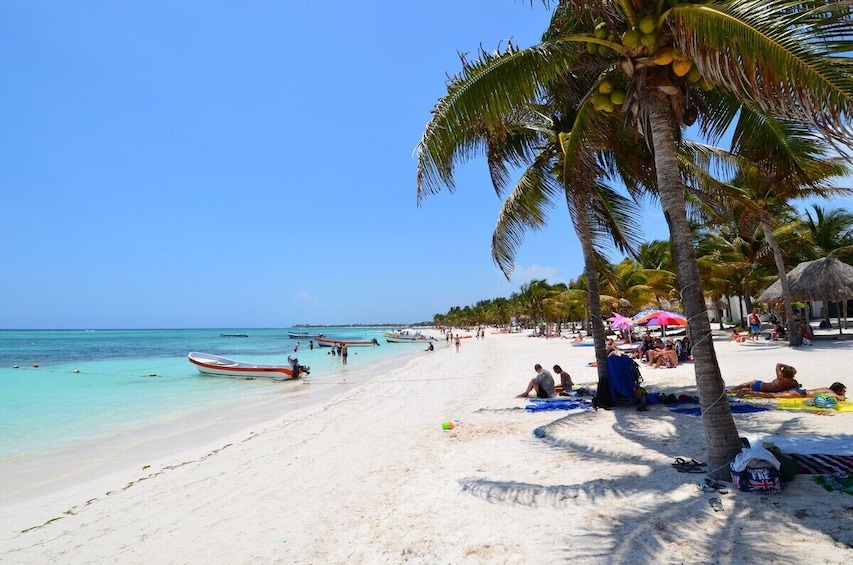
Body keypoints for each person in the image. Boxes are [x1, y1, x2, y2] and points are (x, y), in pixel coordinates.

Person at [729, 363, 800, 395]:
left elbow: (778, 364)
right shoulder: (794, 382)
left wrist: (789, 366)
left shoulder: (781, 378)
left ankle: (732, 390)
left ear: (783, 372)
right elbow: (797, 389)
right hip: (765, 390)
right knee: (749, 386)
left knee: (750, 383)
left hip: (759, 386)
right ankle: (733, 391)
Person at [735, 382, 846, 400]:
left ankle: (745, 391)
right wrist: (842, 398)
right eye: (843, 391)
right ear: (837, 390)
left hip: (799, 391)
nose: (844, 394)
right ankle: (747, 391)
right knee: (773, 396)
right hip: (799, 394)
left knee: (774, 395)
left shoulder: (825, 389)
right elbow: (840, 398)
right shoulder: (829, 391)